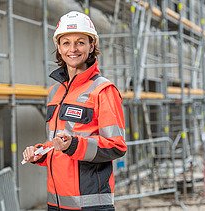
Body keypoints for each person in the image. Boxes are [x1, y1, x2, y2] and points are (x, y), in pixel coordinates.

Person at [22, 11, 127, 211]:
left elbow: (116, 146)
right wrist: (40, 153)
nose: (73, 49)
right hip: (56, 203)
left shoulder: (103, 90)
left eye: (80, 42)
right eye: (66, 43)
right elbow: (58, 144)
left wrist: (74, 145)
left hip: (90, 205)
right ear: (58, 48)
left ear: (91, 45)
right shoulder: (54, 92)